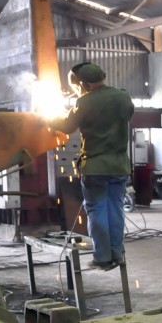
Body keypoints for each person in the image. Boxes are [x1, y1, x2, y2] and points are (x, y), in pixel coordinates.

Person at [49, 62, 135, 270]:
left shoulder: (84, 102)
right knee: (116, 210)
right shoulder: (123, 96)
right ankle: (117, 254)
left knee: (97, 210)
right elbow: (127, 114)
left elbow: (67, 126)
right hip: (119, 166)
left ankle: (102, 257)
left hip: (95, 167)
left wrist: (50, 119)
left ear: (84, 85)